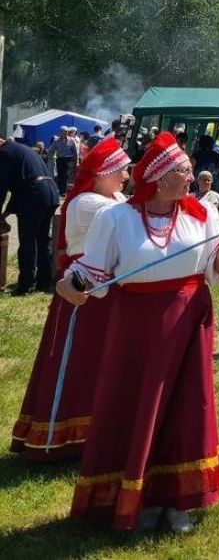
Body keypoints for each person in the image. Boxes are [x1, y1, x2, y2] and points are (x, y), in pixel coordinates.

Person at [56, 132, 219, 532]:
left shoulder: (203, 215)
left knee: (186, 409)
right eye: (184, 171)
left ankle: (179, 500)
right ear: (161, 177)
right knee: (136, 405)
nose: (193, 176)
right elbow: (87, 275)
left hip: (189, 323)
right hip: (137, 327)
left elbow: (218, 271)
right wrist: (70, 288)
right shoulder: (116, 218)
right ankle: (140, 494)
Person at [10, 138, 130, 460]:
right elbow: (128, 218)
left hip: (109, 291)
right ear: (103, 172)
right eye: (121, 170)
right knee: (82, 364)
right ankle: (69, 438)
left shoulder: (114, 196)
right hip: (84, 294)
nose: (126, 176)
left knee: (109, 363)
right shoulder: (86, 202)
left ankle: (106, 434)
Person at [0, 136, 61, 295]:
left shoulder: (4, 154)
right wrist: (5, 213)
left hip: (34, 195)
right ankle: (44, 281)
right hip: (49, 193)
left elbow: (2, 187)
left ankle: (26, 285)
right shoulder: (21, 149)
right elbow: (21, 184)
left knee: (27, 241)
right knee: (42, 240)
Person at [49, 126, 79, 193]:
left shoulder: (71, 140)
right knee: (60, 175)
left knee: (67, 175)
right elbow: (51, 151)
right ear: (60, 132)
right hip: (60, 159)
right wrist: (50, 158)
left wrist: (76, 161)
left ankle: (65, 191)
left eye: (66, 132)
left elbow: (75, 151)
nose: (66, 133)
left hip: (69, 159)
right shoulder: (56, 141)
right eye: (64, 132)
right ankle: (61, 190)